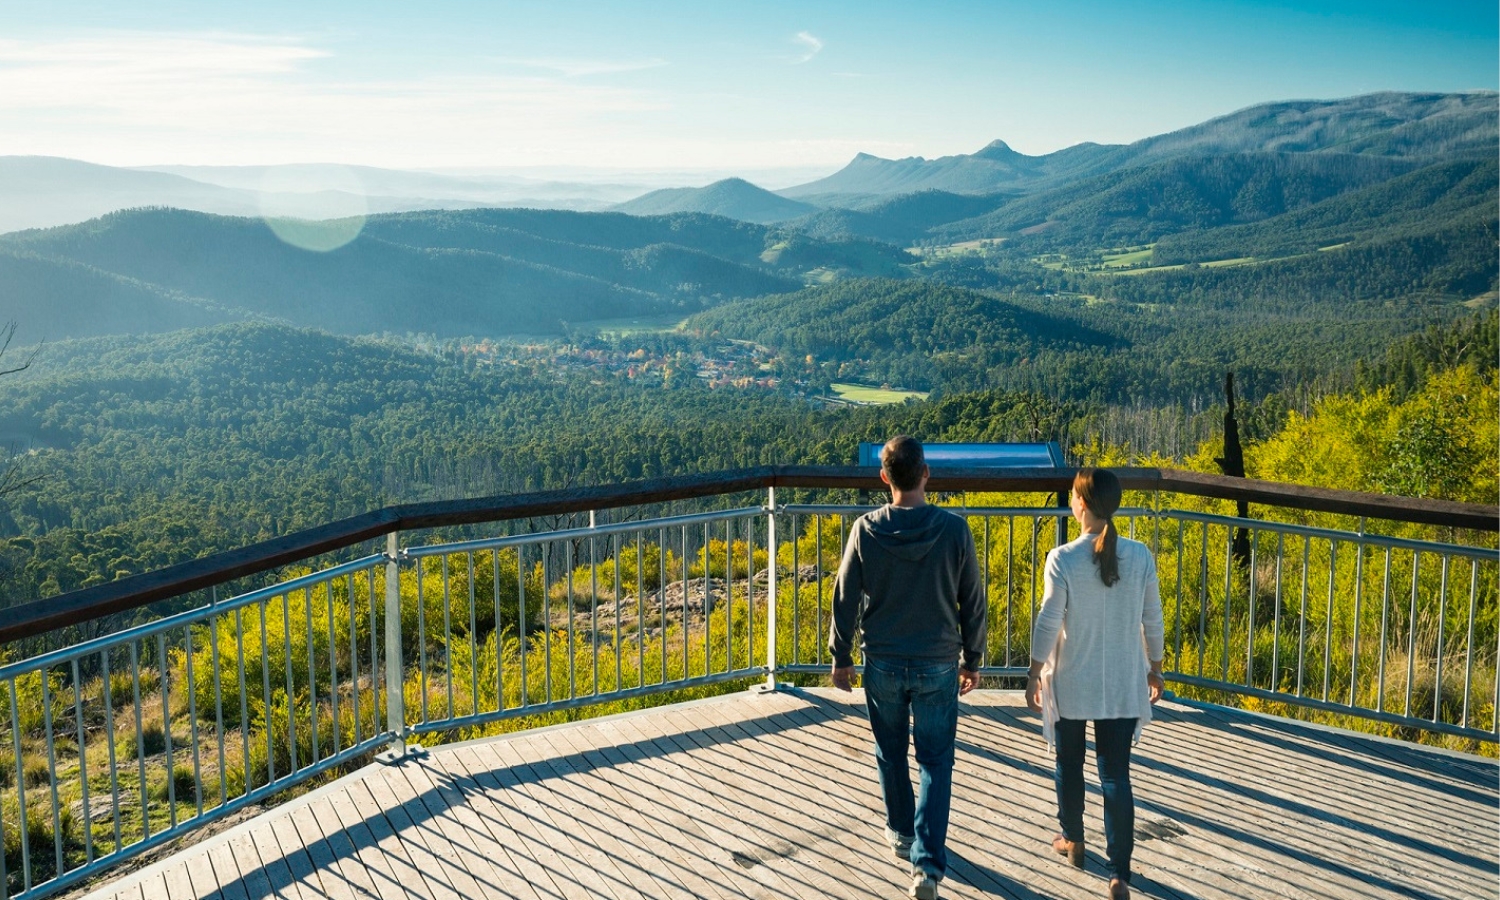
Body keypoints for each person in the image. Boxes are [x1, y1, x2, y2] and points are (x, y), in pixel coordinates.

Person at [829, 435, 987, 900]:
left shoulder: (865, 529)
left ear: (884, 478)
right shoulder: (954, 530)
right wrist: (972, 659)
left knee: (889, 749)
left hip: (883, 659)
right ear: (926, 474)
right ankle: (927, 865)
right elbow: (972, 602)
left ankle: (901, 832)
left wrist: (841, 657)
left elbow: (844, 598)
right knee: (936, 760)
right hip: (938, 661)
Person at [1026, 468, 1165, 900]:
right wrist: (1155, 667)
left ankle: (1073, 841)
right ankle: (1119, 873)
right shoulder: (1139, 556)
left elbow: (1050, 621)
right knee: (1115, 775)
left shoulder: (1062, 558)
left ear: (1081, 505)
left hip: (1072, 680)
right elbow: (1152, 619)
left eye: (1072, 496)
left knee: (1069, 763)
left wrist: (1033, 671)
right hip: (1123, 683)